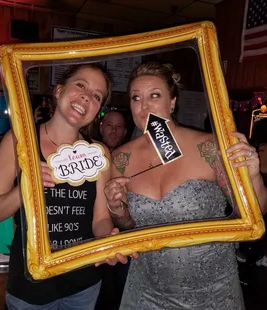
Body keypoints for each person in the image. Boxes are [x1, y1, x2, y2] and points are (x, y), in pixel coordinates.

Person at [104, 62, 267, 309]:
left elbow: (254, 215)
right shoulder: (120, 159)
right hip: (147, 291)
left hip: (213, 290)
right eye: (136, 98)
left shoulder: (209, 147)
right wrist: (116, 209)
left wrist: (253, 175)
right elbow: (128, 226)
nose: (144, 105)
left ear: (172, 102)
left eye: (154, 96)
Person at [0, 63, 135, 310]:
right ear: (59, 91)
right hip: (31, 284)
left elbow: (100, 220)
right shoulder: (19, 142)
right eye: (80, 85)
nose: (86, 96)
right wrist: (25, 190)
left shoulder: (98, 152)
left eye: (96, 96)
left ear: (97, 110)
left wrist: (108, 240)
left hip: (84, 282)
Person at [96, 111, 130, 310]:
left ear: (125, 131)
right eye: (109, 125)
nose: (114, 130)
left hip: (123, 239)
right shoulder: (89, 154)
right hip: (93, 238)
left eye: (119, 127)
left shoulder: (131, 159)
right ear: (101, 127)